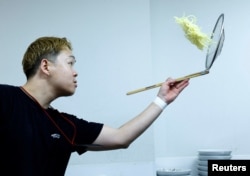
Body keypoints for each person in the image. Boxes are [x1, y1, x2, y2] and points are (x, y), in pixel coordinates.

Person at [0, 36, 189, 176]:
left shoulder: (66, 126)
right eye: (70, 63)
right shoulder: (5, 97)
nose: (75, 73)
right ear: (46, 66)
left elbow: (120, 138)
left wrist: (162, 100)